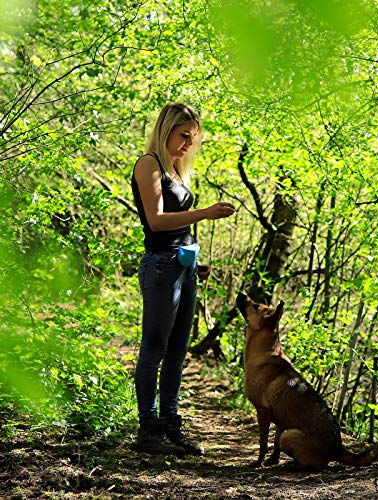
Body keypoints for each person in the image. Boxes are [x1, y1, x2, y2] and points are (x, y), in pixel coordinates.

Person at [131, 102, 236, 456]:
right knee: (154, 349)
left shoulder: (177, 170)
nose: (189, 144)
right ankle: (149, 430)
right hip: (160, 267)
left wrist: (194, 259)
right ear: (166, 130)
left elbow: (179, 226)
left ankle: (170, 424)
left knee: (177, 351)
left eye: (194, 138)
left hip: (183, 266)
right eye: (183, 135)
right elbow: (157, 222)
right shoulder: (149, 165)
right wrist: (205, 213)